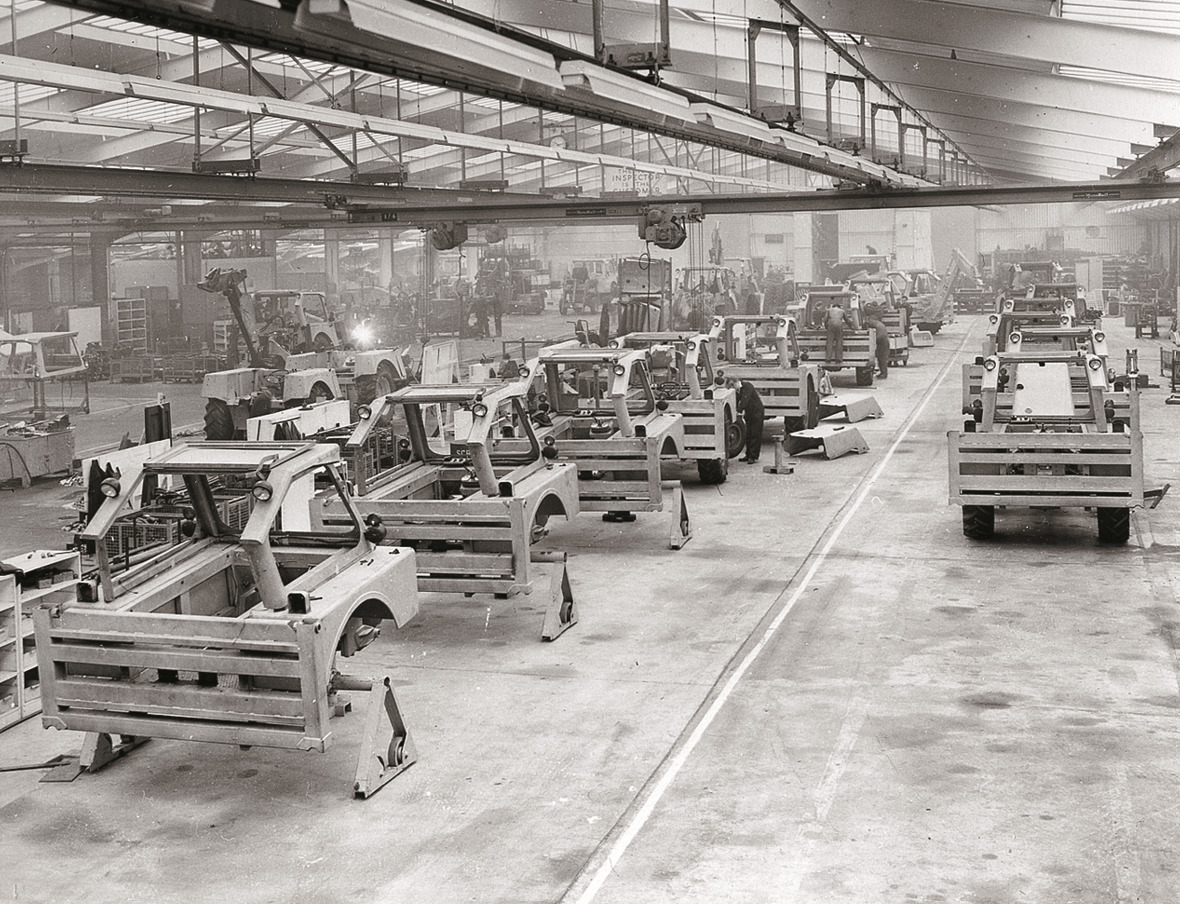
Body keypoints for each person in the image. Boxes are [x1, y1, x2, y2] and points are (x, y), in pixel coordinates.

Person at [729, 376, 765, 463]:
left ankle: (753, 456)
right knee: (748, 433)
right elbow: (736, 401)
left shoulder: (747, 386)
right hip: (749, 412)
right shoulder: (738, 391)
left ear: (737, 382)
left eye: (733, 385)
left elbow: (745, 399)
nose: (733, 388)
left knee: (755, 434)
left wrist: (739, 410)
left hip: (757, 412)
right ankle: (748, 454)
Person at [861, 299, 890, 380]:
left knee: (881, 358)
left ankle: (884, 374)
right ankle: (882, 372)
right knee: (881, 358)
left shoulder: (874, 323)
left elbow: (878, 335)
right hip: (883, 340)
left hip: (882, 341)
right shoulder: (879, 323)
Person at [824, 300, 846, 367]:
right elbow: (847, 320)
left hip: (831, 325)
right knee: (839, 341)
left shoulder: (829, 310)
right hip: (839, 325)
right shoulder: (842, 311)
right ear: (839, 307)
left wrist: (826, 326)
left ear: (833, 306)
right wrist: (852, 327)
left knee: (829, 341)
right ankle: (838, 359)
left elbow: (825, 320)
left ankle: (828, 359)